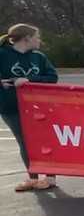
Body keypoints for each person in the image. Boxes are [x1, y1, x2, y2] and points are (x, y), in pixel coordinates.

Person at [0, 24, 58, 191]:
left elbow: (52, 77)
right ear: (26, 39)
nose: (39, 40)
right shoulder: (3, 54)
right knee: (24, 142)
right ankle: (33, 178)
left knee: (44, 141)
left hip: (38, 108)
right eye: (37, 37)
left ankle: (50, 178)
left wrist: (29, 80)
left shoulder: (39, 57)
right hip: (11, 107)